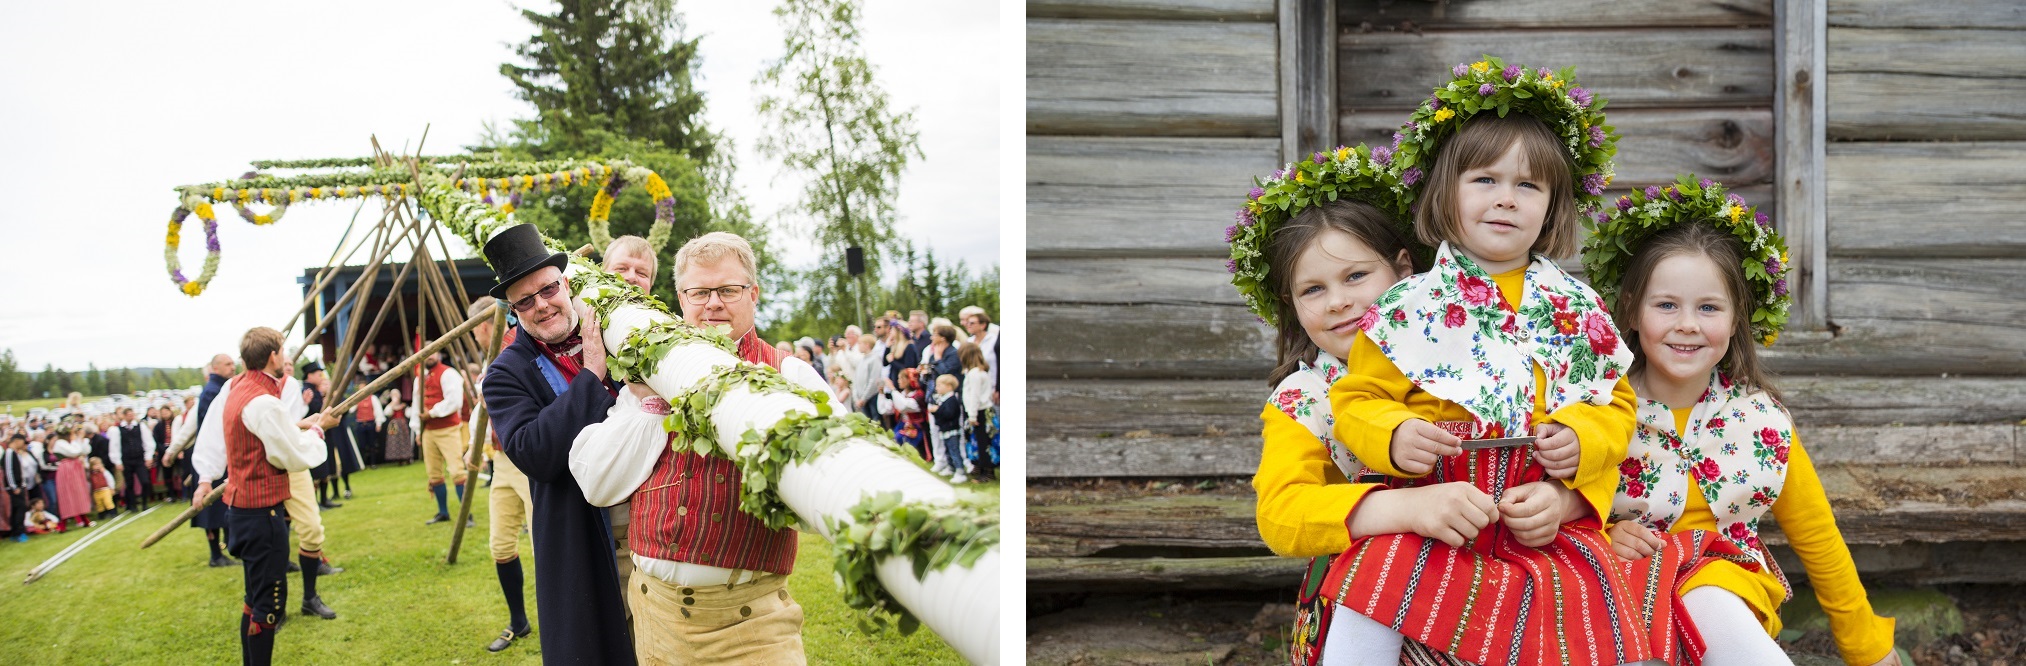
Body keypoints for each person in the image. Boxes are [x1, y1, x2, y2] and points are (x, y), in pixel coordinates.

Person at [1321, 61, 1683, 664]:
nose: (1506, 200)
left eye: (1529, 186)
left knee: (1588, 603)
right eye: (1485, 180)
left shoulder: (1576, 307)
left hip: (1538, 514)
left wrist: (1580, 438)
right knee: (1378, 573)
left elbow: (1616, 404)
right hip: (1436, 514)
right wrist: (1393, 432)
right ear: (1446, 191)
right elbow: (1354, 400)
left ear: (1553, 206)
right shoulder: (1406, 307)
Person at [1585, 179, 1904, 666]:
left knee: (1707, 598)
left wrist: (1867, 645)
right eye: (1666, 304)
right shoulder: (1599, 411)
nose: (1688, 324)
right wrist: (1606, 535)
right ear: (1631, 308)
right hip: (1621, 590)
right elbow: (1557, 509)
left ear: (1736, 320)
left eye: (1709, 307)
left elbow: (1816, 534)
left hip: (1723, 587)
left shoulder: (1760, 420)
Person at [571, 231, 824, 664]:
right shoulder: (647, 374)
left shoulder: (792, 377)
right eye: (700, 291)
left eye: (728, 290)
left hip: (752, 625)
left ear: (754, 293)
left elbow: (830, 498)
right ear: (681, 297)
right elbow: (597, 483)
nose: (713, 304)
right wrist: (651, 402)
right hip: (653, 618)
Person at [478, 223, 635, 664]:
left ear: (564, 284)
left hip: (654, 528)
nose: (541, 306)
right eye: (524, 301)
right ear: (513, 310)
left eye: (547, 290)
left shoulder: (616, 331)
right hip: (582, 536)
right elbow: (533, 452)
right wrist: (591, 375)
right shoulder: (506, 373)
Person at [196, 326, 334, 665]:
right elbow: (290, 454)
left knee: (253, 599)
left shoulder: (237, 387)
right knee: (267, 606)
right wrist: (318, 429)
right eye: (283, 352)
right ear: (272, 356)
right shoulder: (261, 401)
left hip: (242, 512)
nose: (285, 358)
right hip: (261, 516)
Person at [466, 296, 538, 654]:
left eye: (474, 332)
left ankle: (564, 622)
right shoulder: (491, 353)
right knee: (501, 545)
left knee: (546, 546)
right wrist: (472, 446)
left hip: (526, 460)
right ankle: (519, 622)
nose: (475, 339)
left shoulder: (515, 346)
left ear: (482, 326)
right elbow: (483, 410)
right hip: (501, 462)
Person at [416, 348, 471, 525]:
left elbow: (454, 401)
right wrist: (418, 430)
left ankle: (466, 515)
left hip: (448, 429)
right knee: (433, 473)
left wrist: (432, 413)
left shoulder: (449, 373)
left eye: (432, 353)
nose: (429, 357)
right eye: (426, 353)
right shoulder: (420, 378)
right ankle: (443, 512)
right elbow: (417, 405)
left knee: (456, 471)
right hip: (428, 431)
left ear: (438, 354)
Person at [959, 343, 996, 482]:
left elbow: (974, 395)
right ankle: (980, 467)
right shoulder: (978, 372)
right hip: (980, 410)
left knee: (983, 443)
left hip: (979, 411)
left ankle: (987, 473)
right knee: (978, 441)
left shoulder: (975, 374)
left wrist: (972, 415)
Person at [49, 426, 93, 528]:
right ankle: (63, 523)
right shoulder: (60, 443)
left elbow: (86, 450)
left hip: (76, 468)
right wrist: (78, 439)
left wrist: (80, 439)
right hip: (67, 469)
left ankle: (84, 518)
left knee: (79, 492)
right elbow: (74, 452)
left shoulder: (72, 442)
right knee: (68, 494)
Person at [927, 374, 966, 483]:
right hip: (945, 430)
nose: (936, 388)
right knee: (948, 450)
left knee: (954, 450)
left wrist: (937, 410)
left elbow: (949, 414)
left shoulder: (951, 400)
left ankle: (960, 471)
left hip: (952, 431)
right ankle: (951, 467)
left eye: (939, 385)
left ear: (949, 386)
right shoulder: (943, 399)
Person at [958, 306, 1000, 395]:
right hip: (972, 388)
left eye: (972, 323)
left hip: (991, 387)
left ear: (983, 325)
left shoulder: (994, 340)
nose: (968, 325)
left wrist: (998, 388)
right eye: (968, 322)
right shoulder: (969, 342)